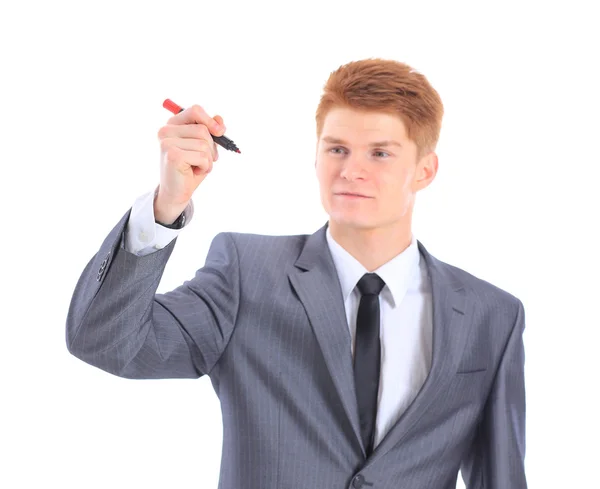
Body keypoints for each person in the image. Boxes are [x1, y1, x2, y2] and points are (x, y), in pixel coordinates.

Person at [65, 58, 527, 489]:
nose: (351, 171)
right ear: (316, 156)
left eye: (380, 154)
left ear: (425, 170)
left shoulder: (490, 315)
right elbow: (104, 342)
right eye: (338, 149)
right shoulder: (247, 273)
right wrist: (166, 208)